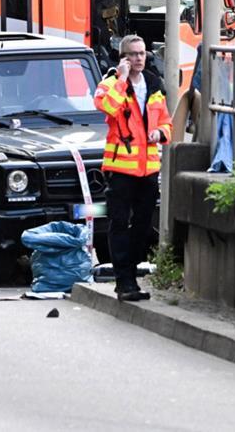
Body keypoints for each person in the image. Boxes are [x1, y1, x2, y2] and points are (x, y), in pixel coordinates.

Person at [94, 35, 173, 302]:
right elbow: (107, 108)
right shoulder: (110, 84)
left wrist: (160, 133)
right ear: (123, 57)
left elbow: (166, 121)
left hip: (148, 168)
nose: (140, 58)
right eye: (134, 54)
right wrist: (121, 79)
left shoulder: (153, 84)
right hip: (120, 169)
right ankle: (124, 282)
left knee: (142, 227)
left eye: (142, 54)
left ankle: (130, 276)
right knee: (118, 224)